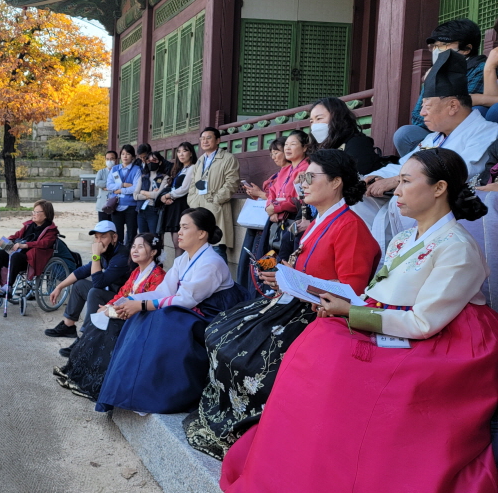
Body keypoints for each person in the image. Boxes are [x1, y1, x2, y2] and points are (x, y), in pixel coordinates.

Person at [220, 148, 498, 492]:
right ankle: (301, 463)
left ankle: (333, 468)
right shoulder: (404, 238)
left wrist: (351, 312)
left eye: (406, 182)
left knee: (334, 360)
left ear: (439, 188)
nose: (397, 190)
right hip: (395, 320)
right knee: (318, 340)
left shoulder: (457, 247)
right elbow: (377, 292)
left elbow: (425, 322)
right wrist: (343, 306)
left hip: (443, 340)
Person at [183, 149, 381, 459]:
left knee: (245, 356)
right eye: (302, 177)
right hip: (294, 301)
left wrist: (297, 280)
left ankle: (252, 429)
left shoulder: (350, 227)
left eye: (310, 177)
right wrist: (286, 275)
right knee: (220, 329)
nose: (302, 183)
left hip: (318, 314)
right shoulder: (320, 220)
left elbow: (349, 292)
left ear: (336, 182)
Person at [95, 208, 249, 414]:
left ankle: (152, 393)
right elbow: (163, 292)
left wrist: (141, 305)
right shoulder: (182, 259)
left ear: (201, 233)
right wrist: (128, 302)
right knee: (142, 316)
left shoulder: (211, 262)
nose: (179, 233)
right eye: (179, 228)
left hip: (213, 318)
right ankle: (130, 389)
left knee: (161, 319)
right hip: (191, 310)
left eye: (185, 228)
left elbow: (185, 300)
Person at [357, 50, 498, 253]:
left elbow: (460, 171)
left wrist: (398, 181)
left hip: (446, 204)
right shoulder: (434, 138)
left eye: (427, 106)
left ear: (452, 106)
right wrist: (374, 177)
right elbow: (403, 165)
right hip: (416, 194)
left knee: (401, 199)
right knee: (358, 198)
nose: (421, 113)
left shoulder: (487, 132)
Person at [55, 233, 166, 400]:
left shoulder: (158, 276)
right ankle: (75, 372)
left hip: (141, 321)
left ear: (153, 252)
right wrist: (107, 307)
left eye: (140, 247)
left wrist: (112, 311)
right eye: (133, 246)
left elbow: (148, 306)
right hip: (127, 314)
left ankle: (92, 384)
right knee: (96, 323)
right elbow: (122, 294)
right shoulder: (137, 272)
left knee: (107, 328)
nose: (134, 250)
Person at [393, 18, 488, 157]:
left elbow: (461, 109)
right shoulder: (435, 72)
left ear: (466, 49)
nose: (437, 50)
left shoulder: (480, 69)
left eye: (444, 45)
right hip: (436, 133)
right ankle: (427, 167)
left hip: (463, 134)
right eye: (435, 46)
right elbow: (418, 118)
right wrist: (431, 80)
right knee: (404, 133)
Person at [43, 221, 131, 350]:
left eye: (103, 237)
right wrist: (59, 287)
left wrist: (96, 255)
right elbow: (82, 271)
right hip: (110, 293)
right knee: (80, 284)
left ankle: (85, 339)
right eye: (96, 237)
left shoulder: (122, 257)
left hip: (122, 300)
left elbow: (98, 283)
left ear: (114, 237)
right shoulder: (106, 251)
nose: (98, 242)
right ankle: (68, 326)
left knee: (95, 292)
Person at [0, 200, 58, 295]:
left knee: (16, 256)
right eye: (33, 211)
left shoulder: (51, 230)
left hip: (31, 260)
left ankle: (8, 286)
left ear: (46, 214)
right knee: (0, 253)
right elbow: (17, 235)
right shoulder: (29, 226)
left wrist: (25, 245)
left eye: (37, 212)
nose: (33, 214)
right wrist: (8, 241)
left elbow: (44, 243)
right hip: (19, 253)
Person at [237, 137, 289, 285]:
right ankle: (250, 288)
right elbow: (271, 198)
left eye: (276, 152)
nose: (273, 157)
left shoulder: (293, 173)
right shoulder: (278, 174)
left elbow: (284, 200)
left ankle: (261, 290)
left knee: (265, 257)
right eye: (271, 153)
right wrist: (257, 195)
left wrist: (261, 194)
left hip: (277, 224)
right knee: (252, 257)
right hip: (261, 222)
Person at [258, 130, 313, 263]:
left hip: (294, 219)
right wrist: (270, 207)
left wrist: (276, 207)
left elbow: (300, 200)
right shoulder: (286, 169)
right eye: (286, 145)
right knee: (268, 256)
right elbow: (272, 191)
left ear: (304, 147)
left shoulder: (306, 168)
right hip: (277, 218)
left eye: (292, 144)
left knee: (285, 258)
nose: (287, 148)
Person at [187, 127, 240, 260]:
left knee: (217, 247)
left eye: (208, 138)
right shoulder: (200, 160)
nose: (205, 141)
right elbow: (193, 183)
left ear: (218, 140)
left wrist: (216, 199)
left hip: (216, 207)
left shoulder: (228, 158)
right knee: (199, 247)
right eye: (202, 139)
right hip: (198, 207)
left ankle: (220, 275)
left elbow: (232, 182)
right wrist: (192, 200)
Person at [309, 97, 384, 174]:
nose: (314, 125)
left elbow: (355, 177)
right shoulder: (323, 147)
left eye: (319, 118)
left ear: (337, 117)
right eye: (311, 121)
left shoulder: (357, 143)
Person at [158, 142, 198, 256]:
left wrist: (167, 196)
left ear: (191, 153)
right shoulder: (179, 169)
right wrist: (164, 198)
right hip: (173, 207)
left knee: (180, 243)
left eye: (184, 151)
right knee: (176, 243)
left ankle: (182, 266)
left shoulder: (192, 168)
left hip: (182, 206)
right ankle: (178, 266)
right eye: (179, 152)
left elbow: (184, 189)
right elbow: (171, 187)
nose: (181, 154)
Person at [106, 144, 142, 245]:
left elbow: (135, 188)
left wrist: (120, 190)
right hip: (116, 205)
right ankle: (119, 253)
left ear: (133, 157)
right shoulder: (115, 169)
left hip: (131, 206)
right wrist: (123, 185)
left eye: (128, 154)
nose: (125, 156)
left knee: (131, 234)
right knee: (117, 234)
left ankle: (130, 253)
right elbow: (109, 185)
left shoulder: (137, 169)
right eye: (123, 154)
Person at [134, 151, 170, 234]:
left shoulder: (164, 177)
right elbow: (135, 195)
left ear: (160, 162)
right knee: (142, 237)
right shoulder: (143, 177)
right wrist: (150, 195)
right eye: (148, 161)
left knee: (154, 237)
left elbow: (159, 195)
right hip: (141, 210)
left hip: (155, 210)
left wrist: (143, 192)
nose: (151, 163)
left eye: (154, 160)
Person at [95, 150, 119, 221]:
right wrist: (112, 185)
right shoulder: (101, 172)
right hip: (102, 204)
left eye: (112, 159)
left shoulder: (119, 172)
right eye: (107, 159)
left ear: (116, 160)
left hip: (115, 204)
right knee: (103, 225)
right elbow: (97, 183)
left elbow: (119, 184)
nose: (109, 161)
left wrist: (107, 187)